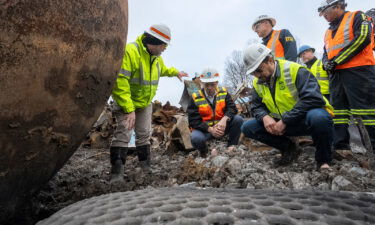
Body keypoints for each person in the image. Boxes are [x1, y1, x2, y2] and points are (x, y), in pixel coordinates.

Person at [110, 24, 188, 182]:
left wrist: (175, 73)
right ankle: (117, 174)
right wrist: (129, 109)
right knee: (123, 134)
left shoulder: (156, 58)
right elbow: (119, 82)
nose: (164, 49)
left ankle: (145, 167)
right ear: (154, 42)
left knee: (144, 134)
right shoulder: (131, 51)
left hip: (145, 103)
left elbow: (164, 69)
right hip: (127, 102)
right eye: (163, 45)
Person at [241, 44, 334, 170]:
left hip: (304, 120)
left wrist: (286, 120)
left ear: (270, 60)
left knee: (319, 118)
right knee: (248, 127)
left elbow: (313, 98)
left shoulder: (295, 70)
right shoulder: (258, 83)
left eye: (259, 70)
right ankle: (289, 148)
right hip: (282, 125)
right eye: (253, 73)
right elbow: (256, 105)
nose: (257, 75)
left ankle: (324, 159)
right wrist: (265, 117)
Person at [318, 0, 375, 153]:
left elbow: (363, 38)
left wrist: (336, 61)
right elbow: (326, 52)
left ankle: (373, 148)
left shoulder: (357, 16)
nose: (324, 16)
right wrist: (326, 63)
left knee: (366, 111)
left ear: (337, 7)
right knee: (339, 111)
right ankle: (341, 146)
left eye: (326, 12)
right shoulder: (328, 32)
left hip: (359, 71)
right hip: (336, 75)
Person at [187, 67, 244, 157]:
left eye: (212, 84)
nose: (209, 88)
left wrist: (224, 119)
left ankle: (231, 145)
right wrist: (210, 129)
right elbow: (193, 120)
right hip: (205, 131)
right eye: (206, 85)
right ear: (202, 83)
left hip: (221, 128)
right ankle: (205, 151)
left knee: (238, 120)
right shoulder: (195, 97)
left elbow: (232, 108)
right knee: (195, 138)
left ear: (217, 82)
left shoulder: (223, 92)